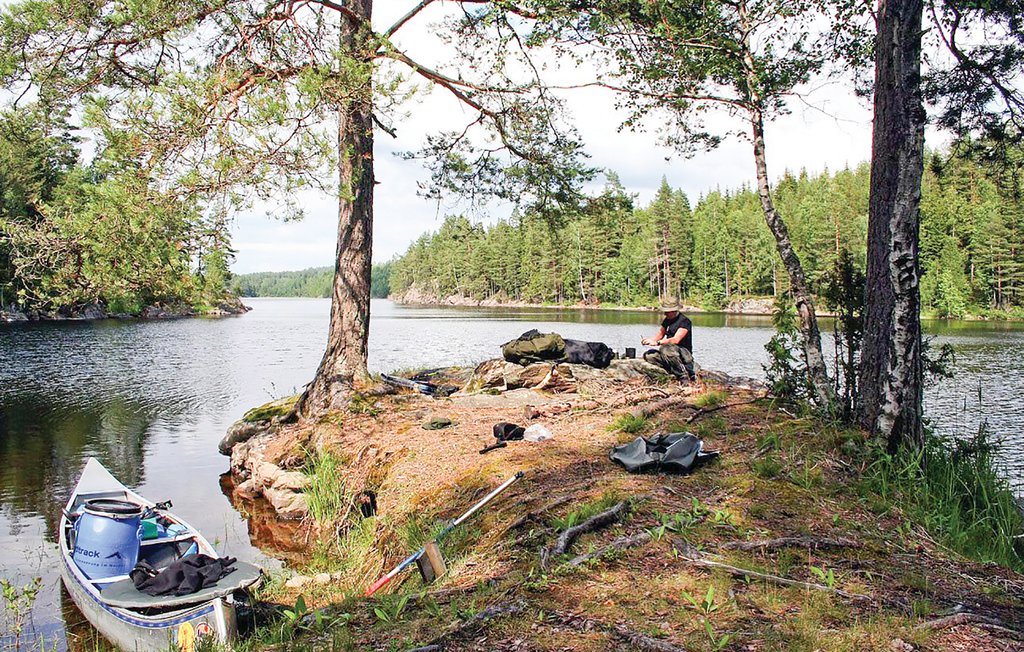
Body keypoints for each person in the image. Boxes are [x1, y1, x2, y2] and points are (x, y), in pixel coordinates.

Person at [641, 302, 695, 381]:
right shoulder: (667, 320)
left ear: (673, 311)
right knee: (649, 355)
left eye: (667, 312)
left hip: (683, 353)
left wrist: (658, 343)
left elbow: (676, 340)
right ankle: (671, 370)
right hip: (670, 352)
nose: (665, 314)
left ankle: (683, 375)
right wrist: (649, 340)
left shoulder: (684, 321)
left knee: (665, 349)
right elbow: (659, 335)